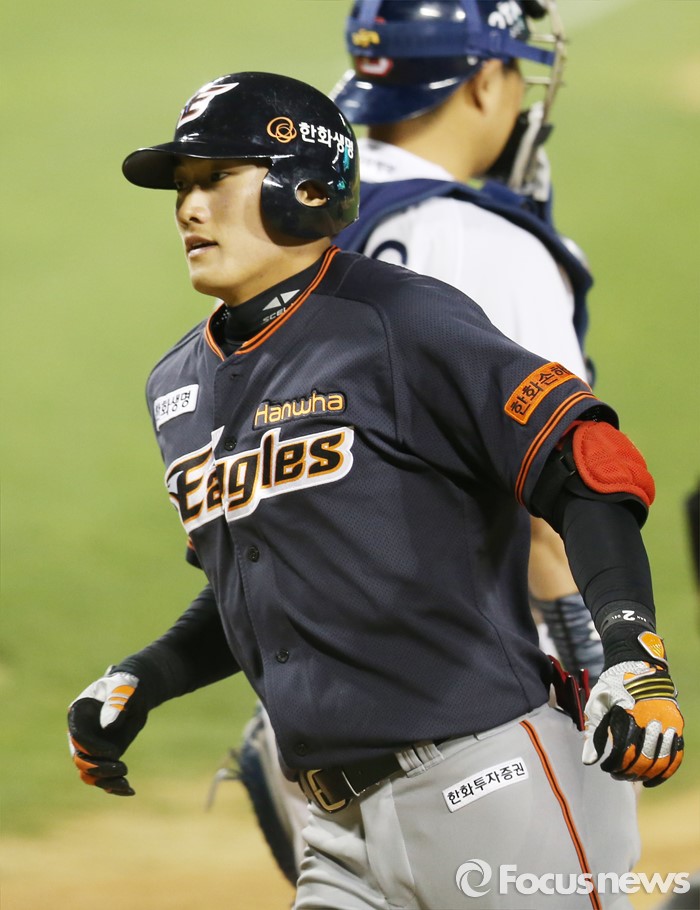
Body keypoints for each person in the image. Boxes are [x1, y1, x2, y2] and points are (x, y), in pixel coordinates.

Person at [67, 71, 684, 910]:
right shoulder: (176, 385)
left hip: (490, 787)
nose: (189, 208)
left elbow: (588, 463)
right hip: (333, 829)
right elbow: (264, 580)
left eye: (216, 178)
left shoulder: (399, 320)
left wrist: (632, 651)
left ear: (303, 186)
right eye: (182, 186)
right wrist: (145, 677)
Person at [234, 0, 608, 880]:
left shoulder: (289, 227)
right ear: (483, 83)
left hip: (315, 707)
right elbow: (551, 499)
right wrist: (600, 665)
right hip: (480, 719)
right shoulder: (485, 242)